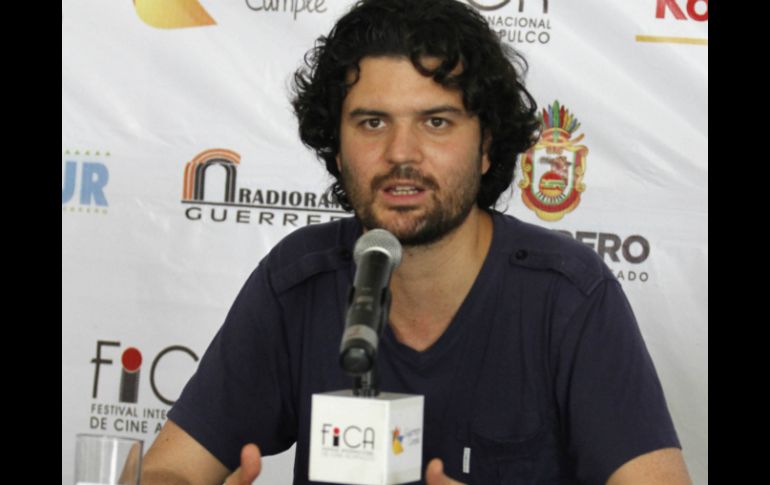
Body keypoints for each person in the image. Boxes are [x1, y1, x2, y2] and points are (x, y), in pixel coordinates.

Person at [141, 0, 692, 483]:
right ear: (337, 147)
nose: (401, 153)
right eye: (372, 123)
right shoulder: (298, 279)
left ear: (485, 146)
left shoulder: (568, 294)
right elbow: (168, 468)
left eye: (436, 122)